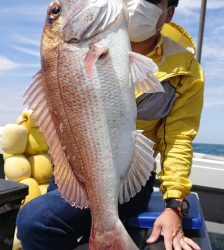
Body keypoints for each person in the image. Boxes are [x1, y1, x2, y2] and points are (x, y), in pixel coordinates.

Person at [16, 0, 204, 249]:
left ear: (168, 12)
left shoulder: (185, 69)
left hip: (132, 178)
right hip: (74, 167)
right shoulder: (90, 37)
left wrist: (174, 206)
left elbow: (179, 139)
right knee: (37, 222)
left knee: (34, 220)